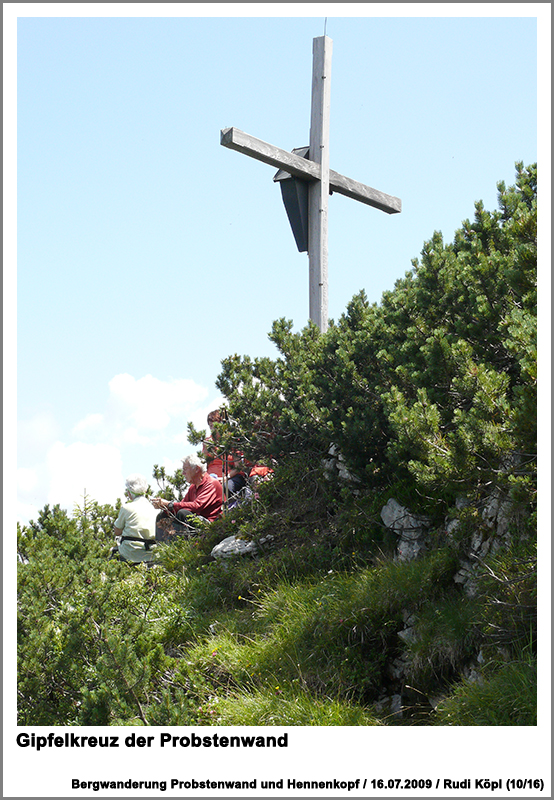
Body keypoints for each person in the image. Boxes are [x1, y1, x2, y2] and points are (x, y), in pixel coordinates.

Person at [152, 454, 222, 542]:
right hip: (198, 522)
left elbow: (198, 506)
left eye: (185, 469)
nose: (183, 473)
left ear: (196, 469)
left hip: (211, 524)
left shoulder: (211, 483)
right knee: (162, 515)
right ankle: (162, 547)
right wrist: (165, 507)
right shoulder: (193, 487)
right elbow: (183, 504)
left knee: (183, 513)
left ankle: (177, 545)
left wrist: (170, 504)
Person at [112, 474, 158, 563]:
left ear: (129, 492)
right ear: (146, 490)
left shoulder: (126, 508)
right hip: (151, 554)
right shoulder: (155, 510)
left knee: (113, 553)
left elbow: (117, 532)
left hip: (130, 554)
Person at [203, 409, 247, 500]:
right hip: (212, 479)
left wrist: (224, 478)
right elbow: (205, 465)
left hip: (231, 477)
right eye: (210, 426)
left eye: (214, 425)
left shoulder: (232, 440)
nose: (212, 429)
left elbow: (238, 467)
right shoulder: (208, 442)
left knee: (225, 489)